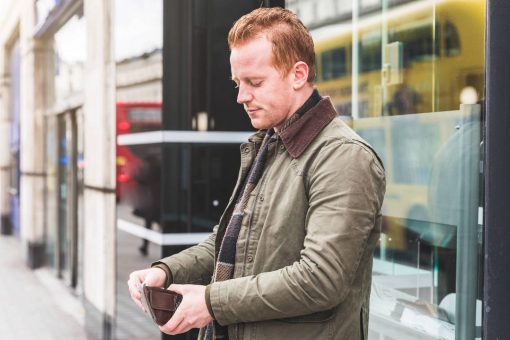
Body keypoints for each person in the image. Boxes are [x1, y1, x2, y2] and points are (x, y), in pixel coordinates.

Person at [128, 7, 385, 340]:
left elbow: (321, 279)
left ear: (298, 74)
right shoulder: (270, 144)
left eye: (255, 82)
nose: (241, 96)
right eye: (238, 83)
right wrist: (166, 271)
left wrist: (210, 302)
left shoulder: (345, 157)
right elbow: (225, 244)